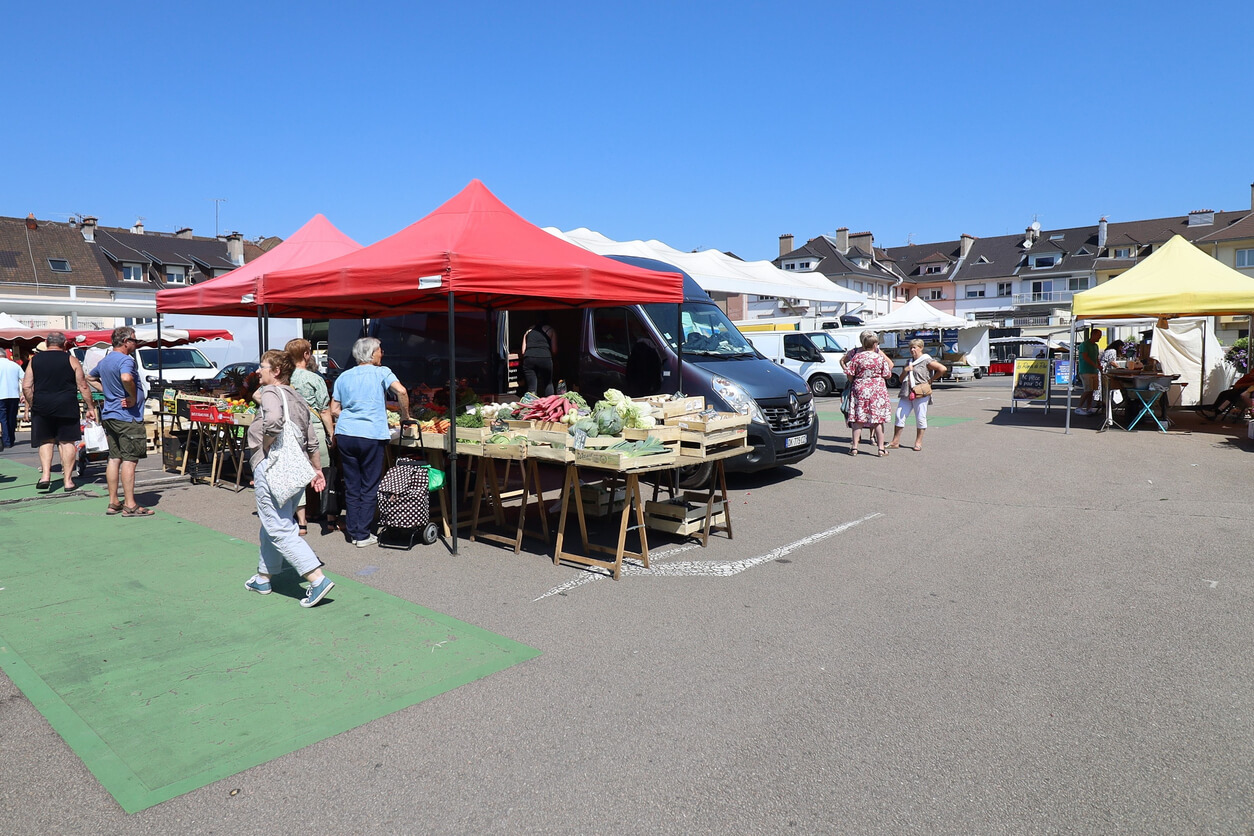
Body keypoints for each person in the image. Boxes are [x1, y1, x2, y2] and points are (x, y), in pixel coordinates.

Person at [244, 350, 334, 608]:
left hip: (274, 468)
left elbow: (272, 421)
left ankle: (316, 578)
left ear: (276, 372)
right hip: (296, 469)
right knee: (273, 523)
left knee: (278, 527)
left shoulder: (272, 392)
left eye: (262, 366)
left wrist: (267, 444)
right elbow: (311, 440)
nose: (258, 371)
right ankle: (264, 576)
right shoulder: (296, 396)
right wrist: (316, 470)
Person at [331, 337, 411, 547]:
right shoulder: (382, 372)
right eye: (379, 350)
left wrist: (351, 415)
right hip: (371, 435)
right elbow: (401, 391)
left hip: (346, 434)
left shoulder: (344, 376)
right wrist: (404, 415)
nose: (382, 353)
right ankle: (362, 534)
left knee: (352, 484)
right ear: (372, 353)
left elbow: (334, 409)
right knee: (369, 484)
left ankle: (354, 529)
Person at [87, 326, 152, 516]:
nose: (136, 343)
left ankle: (113, 501)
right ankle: (130, 504)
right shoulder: (126, 360)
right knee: (130, 461)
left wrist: (108, 393)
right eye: (134, 340)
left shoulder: (106, 360)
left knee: (114, 459)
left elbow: (90, 377)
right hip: (127, 417)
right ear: (126, 342)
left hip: (110, 415)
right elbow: (126, 377)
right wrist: (131, 396)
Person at [21, 331, 96, 492]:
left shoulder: (35, 361)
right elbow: (83, 385)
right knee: (67, 442)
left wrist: (33, 403)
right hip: (67, 405)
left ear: (47, 344)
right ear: (64, 344)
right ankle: (68, 481)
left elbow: (26, 386)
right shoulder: (72, 360)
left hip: (42, 406)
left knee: (46, 441)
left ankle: (45, 476)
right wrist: (90, 407)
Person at [286, 338, 339, 535]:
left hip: (291, 430)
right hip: (314, 429)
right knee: (325, 472)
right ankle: (330, 519)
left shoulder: (284, 379)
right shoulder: (314, 378)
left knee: (298, 475)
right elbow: (325, 410)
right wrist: (331, 434)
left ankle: (302, 522)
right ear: (306, 355)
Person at [840, 330, 894, 456]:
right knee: (877, 419)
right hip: (877, 390)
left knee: (858, 419)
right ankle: (881, 449)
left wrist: (857, 380)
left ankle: (854, 447)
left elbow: (849, 374)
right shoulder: (880, 358)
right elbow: (887, 374)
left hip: (860, 389)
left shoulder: (857, 356)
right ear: (875, 345)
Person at [889, 338, 947, 452]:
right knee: (899, 415)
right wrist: (906, 370)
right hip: (907, 391)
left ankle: (918, 442)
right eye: (910, 347)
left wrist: (930, 381)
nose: (912, 350)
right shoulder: (909, 361)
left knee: (920, 417)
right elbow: (901, 379)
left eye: (914, 347)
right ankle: (895, 441)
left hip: (920, 392)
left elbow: (942, 369)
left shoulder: (926, 360)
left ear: (921, 348)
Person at [520, 317, 557, 396]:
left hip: (529, 358)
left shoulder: (528, 331)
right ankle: (550, 405)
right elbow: (554, 350)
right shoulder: (551, 330)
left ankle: (532, 405)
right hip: (545, 358)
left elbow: (523, 351)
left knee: (531, 387)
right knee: (548, 383)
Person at [0, 349, 24, 450]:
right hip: (14, 395)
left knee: (3, 418)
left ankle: (7, 441)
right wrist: (22, 393)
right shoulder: (14, 365)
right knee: (11, 417)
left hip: (1, 395)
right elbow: (23, 378)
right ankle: (11, 438)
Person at [1075, 329, 1103, 415]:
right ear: (1093, 334)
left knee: (1092, 390)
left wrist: (1099, 366)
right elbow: (1085, 357)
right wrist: (1096, 366)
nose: (1100, 337)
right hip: (1085, 371)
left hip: (1094, 371)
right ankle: (1079, 407)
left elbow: (1096, 357)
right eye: (1099, 335)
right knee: (1087, 390)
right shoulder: (1084, 345)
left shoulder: (1096, 346)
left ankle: (1089, 407)